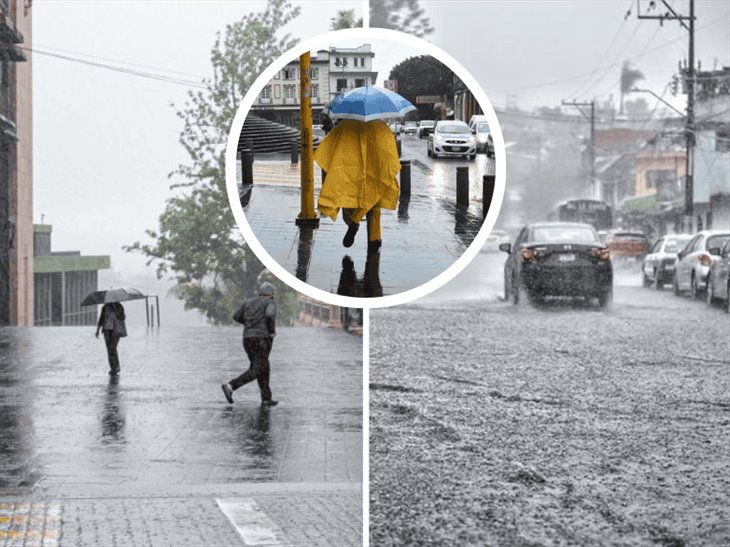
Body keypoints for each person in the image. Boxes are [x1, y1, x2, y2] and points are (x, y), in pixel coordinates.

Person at [313, 119, 401, 255]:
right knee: (374, 205)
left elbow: (327, 147)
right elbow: (391, 154)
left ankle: (352, 221)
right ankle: (374, 240)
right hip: (376, 174)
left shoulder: (345, 126)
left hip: (352, 174)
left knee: (350, 200)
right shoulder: (382, 127)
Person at [222, 282, 278, 407]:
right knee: (257, 368)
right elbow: (270, 315)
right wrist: (271, 331)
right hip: (262, 339)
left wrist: (249, 324)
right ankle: (231, 386)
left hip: (247, 339)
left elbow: (236, 316)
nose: (273, 296)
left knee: (263, 366)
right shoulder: (270, 303)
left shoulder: (247, 302)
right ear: (269, 294)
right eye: (272, 294)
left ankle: (266, 398)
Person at [95, 301, 126, 376]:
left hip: (116, 330)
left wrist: (116, 313)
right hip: (107, 330)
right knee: (109, 349)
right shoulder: (105, 307)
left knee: (113, 348)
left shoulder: (119, 306)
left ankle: (116, 367)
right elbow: (101, 319)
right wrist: (98, 329)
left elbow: (123, 317)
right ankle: (113, 367)